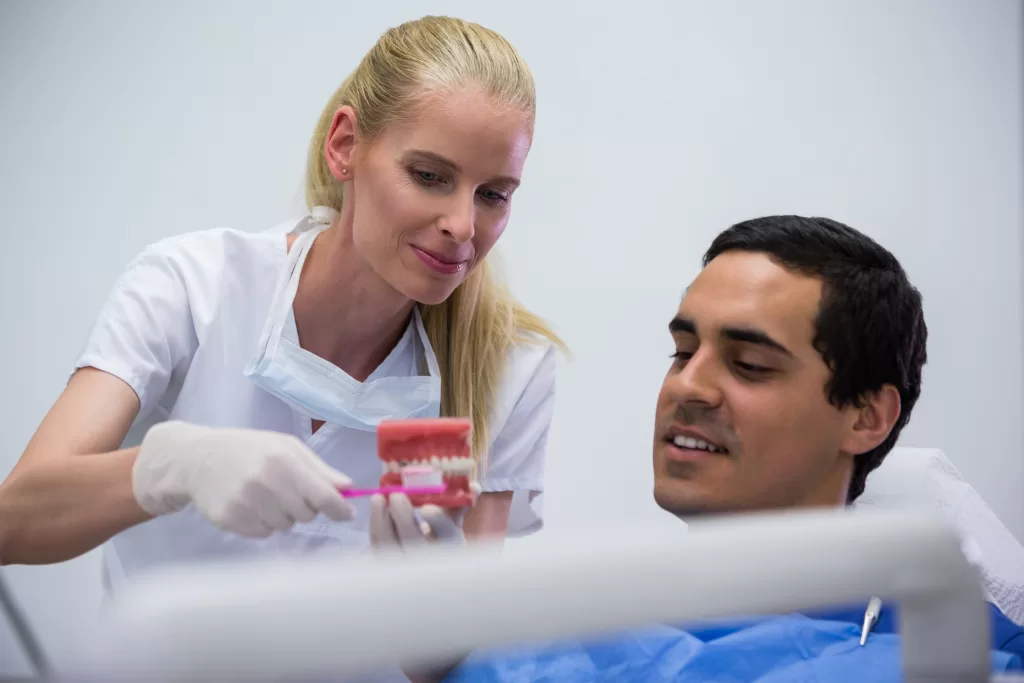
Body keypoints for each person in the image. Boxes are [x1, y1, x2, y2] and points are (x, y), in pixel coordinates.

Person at [0, 15, 564, 600]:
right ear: (345, 146)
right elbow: (13, 521)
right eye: (428, 176)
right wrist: (172, 467)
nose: (463, 226)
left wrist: (437, 618)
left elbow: (442, 668)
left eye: (493, 195)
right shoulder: (194, 288)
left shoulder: (509, 370)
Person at [445, 215, 1023, 681]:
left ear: (866, 417)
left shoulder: (964, 657)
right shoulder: (559, 640)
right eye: (681, 352)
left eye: (749, 365)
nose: (688, 386)